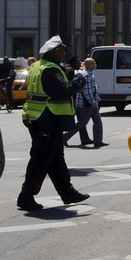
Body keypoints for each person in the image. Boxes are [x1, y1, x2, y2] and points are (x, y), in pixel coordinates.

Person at [18, 36, 89, 214]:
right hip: (46, 120)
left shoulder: (38, 66)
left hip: (40, 118)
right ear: (54, 52)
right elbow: (62, 92)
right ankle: (26, 196)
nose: (64, 53)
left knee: (55, 158)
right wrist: (78, 82)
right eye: (62, 50)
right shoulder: (50, 70)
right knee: (41, 159)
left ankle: (68, 192)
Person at [73, 57, 105, 148]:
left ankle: (98, 141)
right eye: (94, 63)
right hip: (87, 103)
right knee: (82, 123)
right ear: (89, 65)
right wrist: (92, 102)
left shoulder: (89, 74)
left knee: (97, 122)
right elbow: (87, 90)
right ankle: (64, 136)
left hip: (90, 102)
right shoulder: (86, 75)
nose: (95, 64)